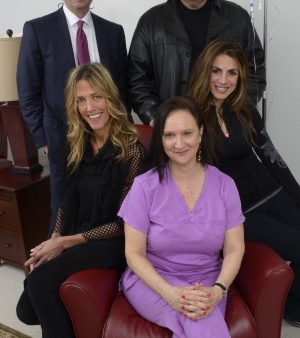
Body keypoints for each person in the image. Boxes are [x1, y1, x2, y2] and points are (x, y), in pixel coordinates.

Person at [16, 63, 146, 338]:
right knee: (25, 311)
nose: (90, 107)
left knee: (40, 284)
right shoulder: (76, 144)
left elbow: (124, 224)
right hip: (77, 230)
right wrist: (54, 239)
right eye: (81, 100)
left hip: (114, 240)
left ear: (111, 97)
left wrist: (65, 243)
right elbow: (66, 199)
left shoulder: (132, 151)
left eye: (97, 96)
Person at [188, 37, 300, 328]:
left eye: (232, 73)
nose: (223, 80)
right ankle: (292, 307)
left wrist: (298, 195)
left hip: (270, 191)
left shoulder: (245, 109)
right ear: (205, 71)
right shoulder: (189, 117)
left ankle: (294, 301)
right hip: (239, 211)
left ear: (240, 77)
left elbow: (271, 157)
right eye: (217, 71)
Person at [16, 0, 128, 233]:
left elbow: (121, 86)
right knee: (64, 208)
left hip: (107, 138)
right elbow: (27, 90)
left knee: (108, 204)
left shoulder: (113, 32)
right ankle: (58, 263)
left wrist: (121, 128)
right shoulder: (37, 30)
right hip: (61, 138)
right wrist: (42, 139)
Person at [118, 97, 245, 337]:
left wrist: (218, 291)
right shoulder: (144, 187)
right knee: (199, 320)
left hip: (208, 280)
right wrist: (171, 294)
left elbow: (234, 249)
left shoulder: (225, 185)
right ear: (161, 139)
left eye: (187, 133)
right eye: (169, 135)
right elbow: (133, 254)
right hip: (152, 280)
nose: (179, 144)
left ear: (201, 132)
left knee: (198, 316)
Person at [127, 0, 265, 126]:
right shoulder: (151, 22)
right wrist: (156, 118)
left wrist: (234, 114)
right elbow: (137, 79)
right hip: (173, 131)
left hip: (224, 128)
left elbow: (255, 70)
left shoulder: (238, 18)